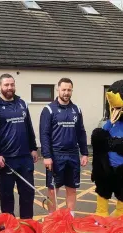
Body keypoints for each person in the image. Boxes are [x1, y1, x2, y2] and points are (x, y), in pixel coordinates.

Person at [0, 73, 38, 219]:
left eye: (12, 85)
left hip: (25, 159)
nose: (9, 88)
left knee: (27, 196)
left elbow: (29, 128)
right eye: (6, 85)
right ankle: (9, 231)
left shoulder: (22, 104)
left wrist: (33, 148)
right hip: (6, 161)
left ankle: (27, 228)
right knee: (7, 198)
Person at [39, 78, 88, 217]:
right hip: (56, 155)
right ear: (58, 90)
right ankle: (51, 219)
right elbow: (44, 134)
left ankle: (70, 219)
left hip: (73, 155)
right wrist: (47, 156)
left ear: (72, 90)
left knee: (72, 189)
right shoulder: (49, 110)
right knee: (53, 190)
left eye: (69, 90)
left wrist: (84, 153)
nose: (66, 92)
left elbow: (81, 132)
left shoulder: (76, 109)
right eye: (64, 89)